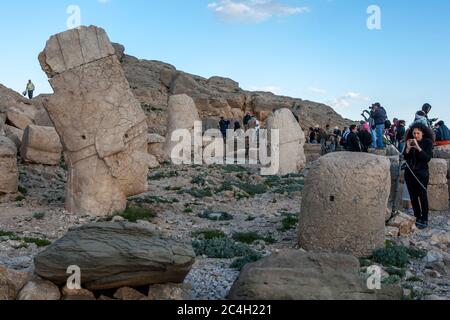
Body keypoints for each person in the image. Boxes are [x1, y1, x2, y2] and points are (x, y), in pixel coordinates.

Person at [403, 123, 434, 229]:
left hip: (421, 174)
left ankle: (424, 218)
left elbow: (427, 158)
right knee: (413, 196)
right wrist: (407, 148)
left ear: (423, 133)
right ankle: (417, 216)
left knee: (422, 196)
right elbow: (405, 157)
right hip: (409, 173)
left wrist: (417, 147)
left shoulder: (427, 143)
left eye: (418, 133)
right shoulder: (409, 141)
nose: (415, 135)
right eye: (414, 133)